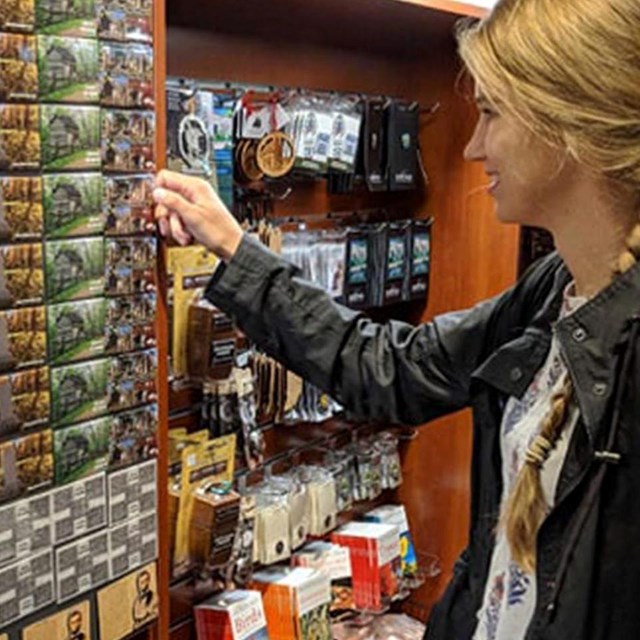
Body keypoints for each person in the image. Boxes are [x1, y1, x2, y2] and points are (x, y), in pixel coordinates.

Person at [152, 1, 640, 638]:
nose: (471, 146)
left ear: (568, 124)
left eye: (491, 111)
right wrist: (236, 250)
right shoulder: (554, 290)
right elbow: (396, 368)